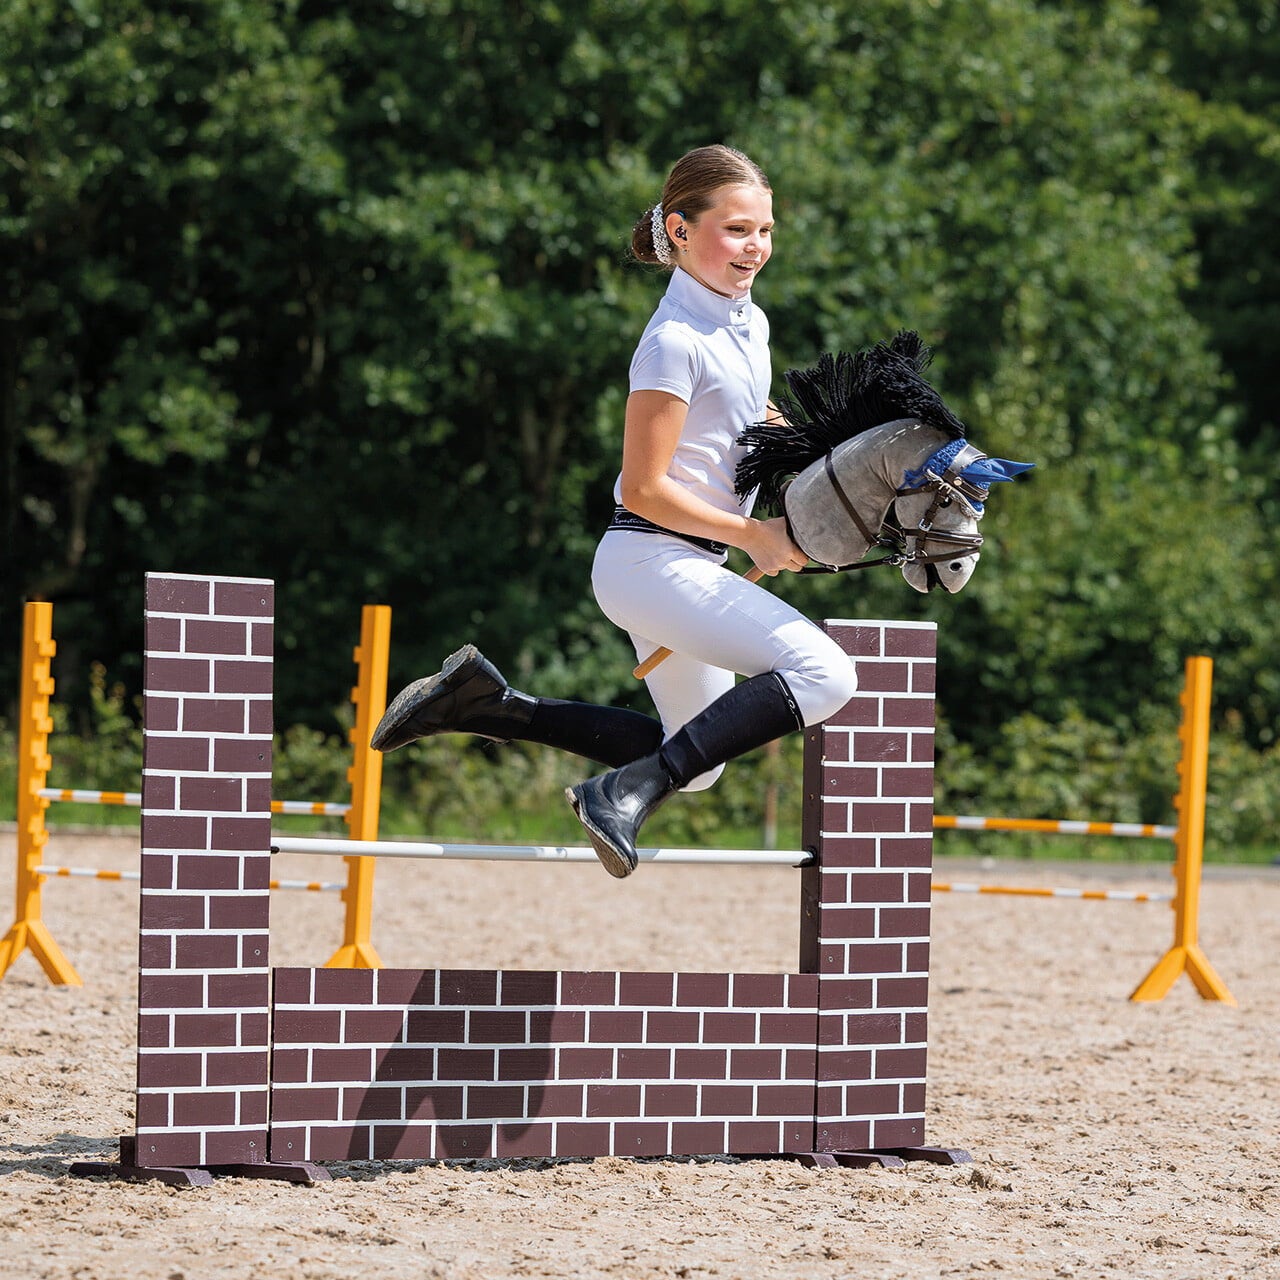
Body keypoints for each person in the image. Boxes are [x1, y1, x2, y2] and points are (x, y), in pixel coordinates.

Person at [372, 144, 858, 877]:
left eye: (765, 230)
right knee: (826, 675)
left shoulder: (747, 323)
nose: (755, 247)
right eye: (735, 230)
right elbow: (643, 488)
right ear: (680, 230)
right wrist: (753, 534)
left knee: (697, 765)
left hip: (691, 564)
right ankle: (620, 793)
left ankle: (486, 705)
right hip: (649, 562)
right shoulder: (671, 342)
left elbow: (737, 419)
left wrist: (814, 449)